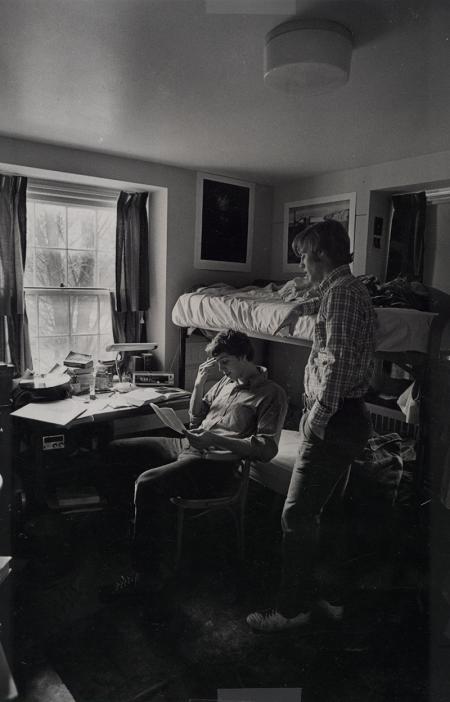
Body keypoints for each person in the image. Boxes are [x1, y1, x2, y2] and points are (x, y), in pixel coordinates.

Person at [247, 219, 376, 632]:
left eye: (304, 256)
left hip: (333, 420)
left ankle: (291, 609)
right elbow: (323, 303)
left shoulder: (340, 296)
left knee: (297, 514)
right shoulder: (346, 290)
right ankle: (333, 597)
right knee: (330, 511)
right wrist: (297, 308)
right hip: (351, 417)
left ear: (321, 255)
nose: (301, 265)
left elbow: (336, 364)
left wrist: (315, 420)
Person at [102, 329, 287, 601]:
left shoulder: (272, 394)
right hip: (188, 446)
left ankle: (147, 576)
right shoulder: (225, 383)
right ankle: (133, 532)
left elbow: (267, 448)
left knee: (147, 483)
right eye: (219, 364)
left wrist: (214, 438)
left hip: (215, 465)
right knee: (115, 450)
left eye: (225, 362)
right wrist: (200, 383)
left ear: (244, 356)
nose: (222, 369)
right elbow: (195, 418)